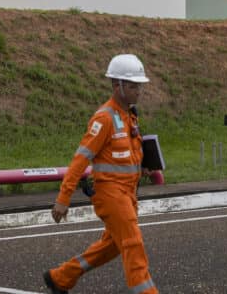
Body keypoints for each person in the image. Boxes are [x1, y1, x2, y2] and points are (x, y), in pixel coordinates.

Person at [43, 53, 158, 294]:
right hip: (110, 193)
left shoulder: (129, 115)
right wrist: (63, 199)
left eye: (140, 85)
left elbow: (124, 155)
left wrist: (142, 167)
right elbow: (80, 160)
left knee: (112, 246)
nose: (139, 90)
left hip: (128, 193)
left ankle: (61, 277)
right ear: (117, 86)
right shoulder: (104, 118)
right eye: (133, 85)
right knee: (133, 244)